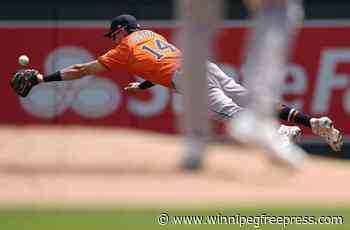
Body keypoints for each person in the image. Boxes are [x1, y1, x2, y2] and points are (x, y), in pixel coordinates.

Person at [10, 14, 343, 169]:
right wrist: (144, 83)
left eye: (113, 34)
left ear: (122, 31)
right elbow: (160, 63)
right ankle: (311, 122)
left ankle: (282, 131)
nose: (112, 39)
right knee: (252, 100)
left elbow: (80, 70)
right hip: (203, 65)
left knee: (231, 113)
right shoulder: (151, 35)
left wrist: (41, 78)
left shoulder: (123, 48)